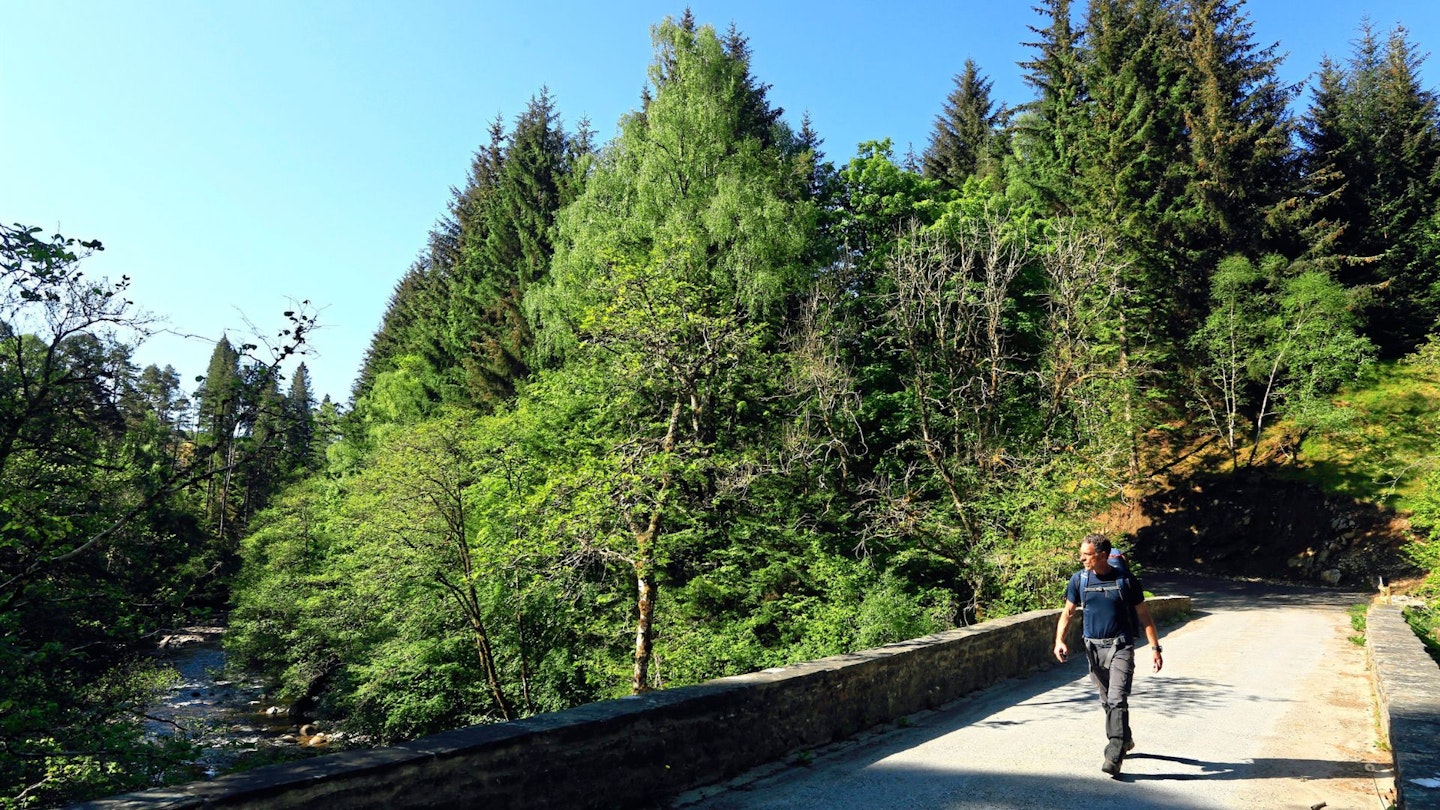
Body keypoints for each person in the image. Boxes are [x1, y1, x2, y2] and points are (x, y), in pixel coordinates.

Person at [1054, 533, 1163, 776]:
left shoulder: (1126, 581)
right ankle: (1125, 738)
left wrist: (1155, 648)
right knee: (1107, 701)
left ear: (1102, 555)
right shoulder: (1079, 580)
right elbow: (1068, 613)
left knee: (1116, 698)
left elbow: (1144, 616)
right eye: (1081, 553)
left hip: (1120, 647)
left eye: (1086, 554)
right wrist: (1059, 639)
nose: (1081, 558)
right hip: (1093, 648)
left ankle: (1114, 752)